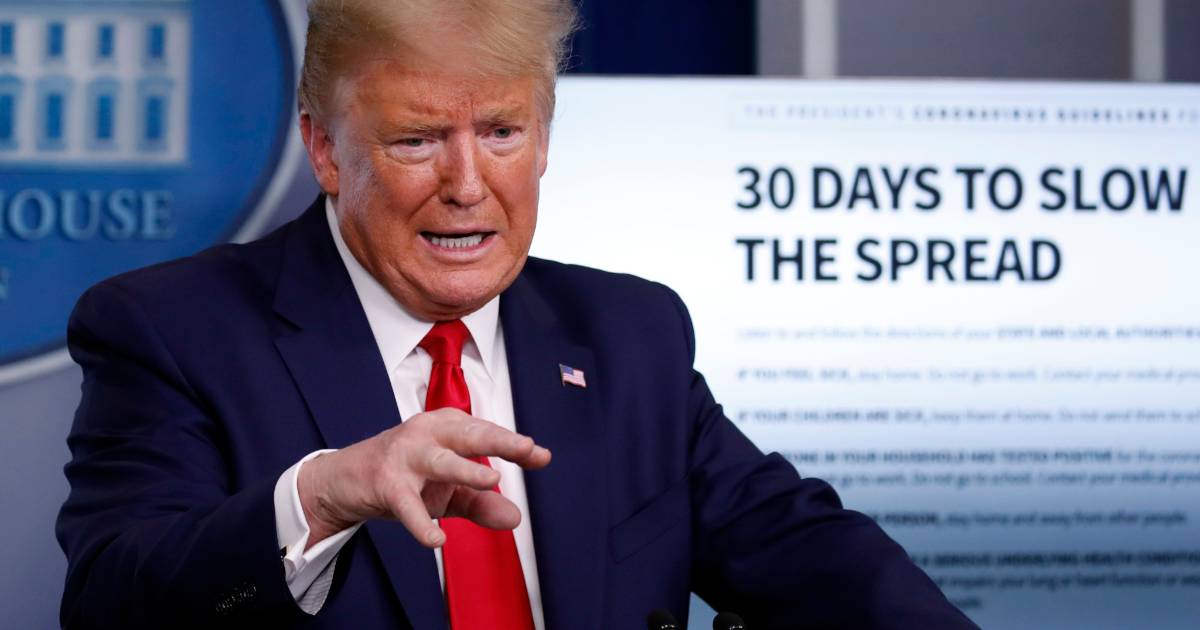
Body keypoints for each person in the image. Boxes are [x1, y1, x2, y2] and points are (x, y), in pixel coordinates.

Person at [56, 1, 978, 628]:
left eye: (501, 131)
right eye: (417, 139)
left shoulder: (629, 334)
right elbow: (109, 603)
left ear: (544, 137)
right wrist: (327, 494)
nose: (468, 185)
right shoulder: (172, 330)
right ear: (323, 147)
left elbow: (809, 553)